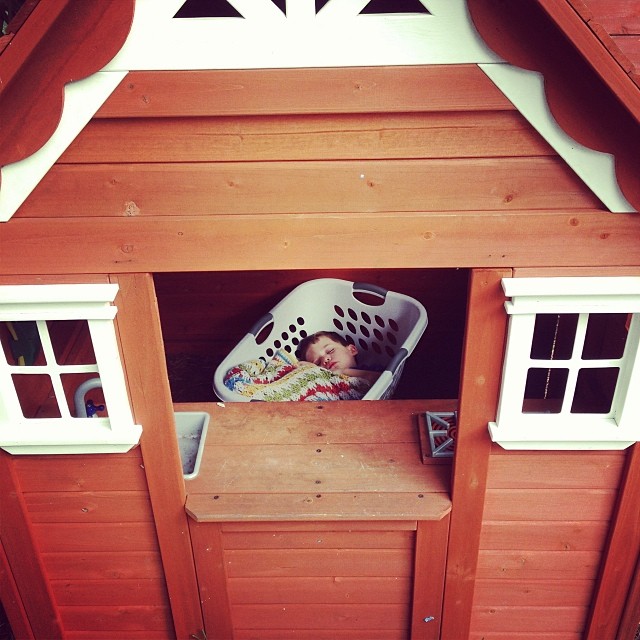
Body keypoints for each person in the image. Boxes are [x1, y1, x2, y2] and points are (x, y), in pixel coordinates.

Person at [296, 331, 381, 385]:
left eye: (330, 351)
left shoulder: (369, 369)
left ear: (352, 350)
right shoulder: (326, 384)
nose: (325, 359)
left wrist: (343, 372)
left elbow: (383, 381)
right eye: (318, 363)